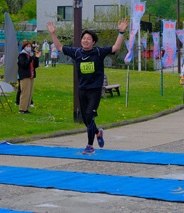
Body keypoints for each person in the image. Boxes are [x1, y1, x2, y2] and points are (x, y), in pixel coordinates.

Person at [47, 18, 129, 155]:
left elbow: (115, 47)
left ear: (93, 42)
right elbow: (60, 47)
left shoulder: (99, 52)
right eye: (83, 38)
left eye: (88, 39)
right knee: (86, 119)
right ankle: (98, 133)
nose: (85, 41)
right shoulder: (77, 52)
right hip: (82, 89)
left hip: (95, 90)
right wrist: (53, 33)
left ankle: (90, 146)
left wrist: (121, 32)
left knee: (90, 115)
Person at [17, 41, 39, 114]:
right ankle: (22, 109)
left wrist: (36, 58)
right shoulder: (22, 55)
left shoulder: (31, 54)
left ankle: (26, 108)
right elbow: (23, 64)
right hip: (25, 76)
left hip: (31, 76)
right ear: (24, 47)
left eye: (30, 46)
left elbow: (35, 65)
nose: (29, 48)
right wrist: (30, 58)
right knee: (25, 93)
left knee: (29, 93)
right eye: (27, 46)